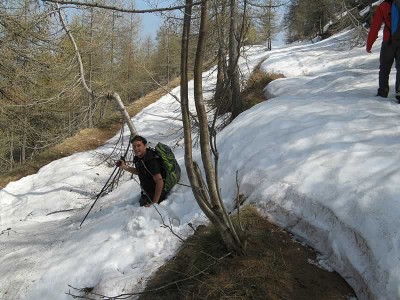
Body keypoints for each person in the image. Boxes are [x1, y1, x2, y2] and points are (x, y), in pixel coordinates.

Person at [117, 135, 166, 207]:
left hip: (156, 195)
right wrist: (124, 167)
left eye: (139, 145)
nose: (136, 148)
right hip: (147, 193)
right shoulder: (139, 158)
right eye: (134, 146)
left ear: (145, 145)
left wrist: (154, 203)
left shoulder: (151, 160)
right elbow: (139, 171)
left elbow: (159, 181)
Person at [366, 0, 400, 103]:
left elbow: (375, 26)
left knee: (384, 68)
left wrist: (369, 44)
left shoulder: (383, 6)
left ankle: (383, 91)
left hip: (388, 42)